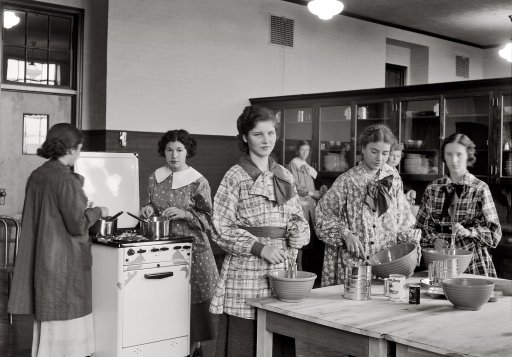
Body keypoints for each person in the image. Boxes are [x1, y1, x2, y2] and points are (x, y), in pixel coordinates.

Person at [210, 105, 310, 357]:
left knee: (279, 334)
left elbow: (297, 217)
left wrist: (299, 232)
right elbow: (220, 227)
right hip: (246, 273)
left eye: (270, 133)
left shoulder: (284, 174)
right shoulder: (235, 176)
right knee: (246, 341)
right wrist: (259, 247)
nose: (266, 140)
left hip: (282, 272)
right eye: (258, 134)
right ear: (244, 137)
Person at [7, 123, 109, 357]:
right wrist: (98, 211)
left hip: (43, 258)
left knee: (48, 315)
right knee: (67, 315)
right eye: (80, 150)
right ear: (73, 149)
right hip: (64, 260)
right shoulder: (65, 180)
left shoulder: (38, 175)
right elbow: (77, 224)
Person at [140, 129, 219, 357]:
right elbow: (152, 203)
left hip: (194, 250)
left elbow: (208, 220)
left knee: (193, 304)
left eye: (179, 150)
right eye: (169, 150)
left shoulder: (198, 181)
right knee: (168, 299)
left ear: (187, 152)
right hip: (163, 247)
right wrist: (148, 207)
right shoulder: (155, 177)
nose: (174, 155)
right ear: (163, 151)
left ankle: (192, 349)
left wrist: (185, 215)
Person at [315, 124, 421, 287]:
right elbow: (322, 215)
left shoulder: (393, 178)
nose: (380, 158)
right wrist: (345, 234)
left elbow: (403, 217)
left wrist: (412, 242)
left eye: (385, 153)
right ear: (363, 148)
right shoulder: (347, 181)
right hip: (355, 263)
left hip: (388, 263)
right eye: (374, 151)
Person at [415, 133, 501, 276]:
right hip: (439, 262)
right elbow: (419, 228)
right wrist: (434, 239)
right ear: (444, 156)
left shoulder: (479, 188)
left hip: (472, 261)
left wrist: (470, 232)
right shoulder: (433, 188)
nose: (454, 160)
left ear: (468, 155)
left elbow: (494, 233)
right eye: (449, 154)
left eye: (459, 154)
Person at [287, 140, 326, 275]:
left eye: (307, 150)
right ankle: (297, 268)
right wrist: (311, 193)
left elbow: (314, 184)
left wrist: (319, 192)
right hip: (301, 204)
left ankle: (306, 269)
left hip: (310, 205)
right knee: (299, 236)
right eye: (302, 150)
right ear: (298, 150)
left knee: (310, 238)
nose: (305, 153)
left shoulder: (306, 166)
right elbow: (294, 185)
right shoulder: (294, 165)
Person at [387, 142, 417, 206]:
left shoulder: (395, 171)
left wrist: (406, 197)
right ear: (386, 155)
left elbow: (396, 195)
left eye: (398, 156)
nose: (395, 159)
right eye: (392, 155)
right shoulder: (384, 172)